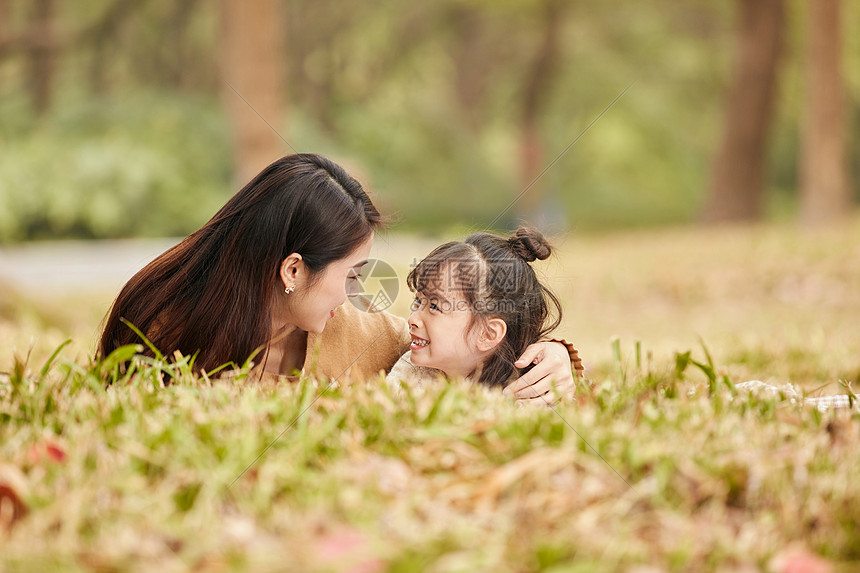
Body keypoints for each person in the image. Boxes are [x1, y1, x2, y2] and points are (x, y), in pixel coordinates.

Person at [99, 154, 581, 400]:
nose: (356, 292)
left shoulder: (354, 332)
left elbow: (474, 340)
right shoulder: (165, 326)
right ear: (292, 269)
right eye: (350, 274)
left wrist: (558, 356)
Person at [385, 228, 583, 401]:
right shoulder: (410, 374)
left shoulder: (531, 386)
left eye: (435, 307)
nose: (412, 319)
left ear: (488, 334)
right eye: (418, 301)